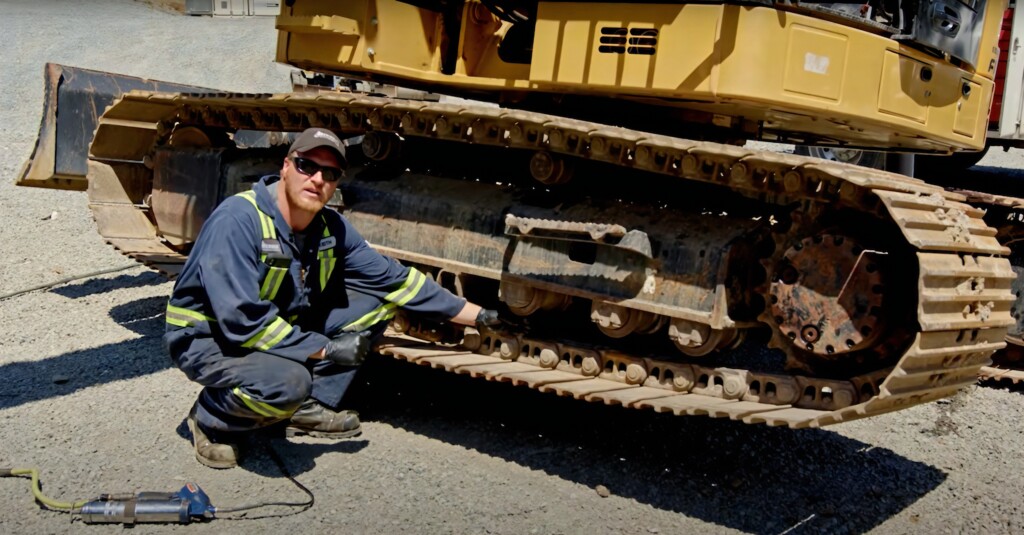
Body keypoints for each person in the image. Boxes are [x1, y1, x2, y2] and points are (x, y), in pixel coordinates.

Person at [164, 127, 499, 469]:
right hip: (210, 338)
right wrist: (325, 349)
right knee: (288, 383)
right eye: (306, 166)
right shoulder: (238, 220)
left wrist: (481, 316)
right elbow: (241, 320)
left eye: (330, 173)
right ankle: (211, 417)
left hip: (273, 325)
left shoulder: (329, 227)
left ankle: (305, 407)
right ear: (285, 166)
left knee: (377, 302)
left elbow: (395, 280)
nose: (317, 179)